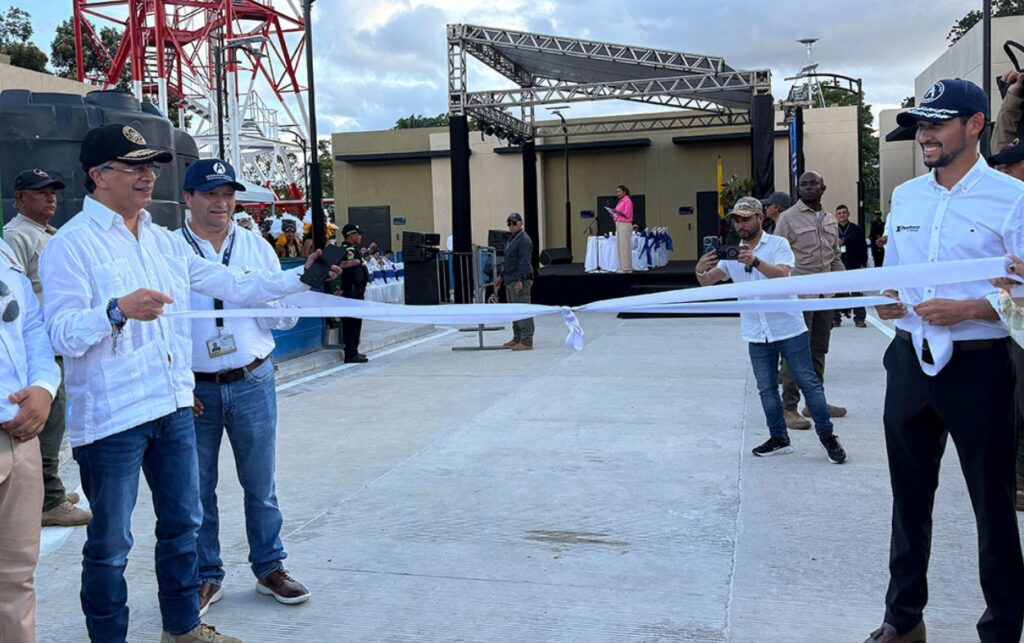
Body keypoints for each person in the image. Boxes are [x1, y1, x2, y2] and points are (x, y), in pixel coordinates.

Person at [39, 124, 338, 643]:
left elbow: (233, 284)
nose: (147, 175)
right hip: (114, 419)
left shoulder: (161, 242)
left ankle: (183, 629)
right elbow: (60, 335)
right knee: (111, 544)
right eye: (133, 166)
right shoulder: (71, 246)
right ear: (97, 175)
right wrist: (116, 311)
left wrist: (300, 278)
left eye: (151, 166)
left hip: (173, 406)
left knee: (182, 528)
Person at [864, 79, 1024, 643]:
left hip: (978, 368)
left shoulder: (1013, 200)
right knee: (907, 500)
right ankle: (903, 619)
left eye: (937, 123)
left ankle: (1002, 630)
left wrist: (971, 308)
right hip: (908, 361)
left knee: (993, 506)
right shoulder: (906, 198)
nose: (924, 134)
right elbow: (895, 278)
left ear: (976, 124)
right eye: (920, 125)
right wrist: (886, 300)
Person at [179, 159, 311, 618]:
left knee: (260, 483)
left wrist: (267, 299)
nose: (221, 204)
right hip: (195, 389)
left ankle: (270, 566)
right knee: (197, 488)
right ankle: (205, 574)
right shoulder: (170, 250)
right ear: (188, 198)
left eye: (228, 195)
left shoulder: (256, 246)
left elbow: (285, 315)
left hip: (252, 378)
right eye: (211, 194)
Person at [695, 197, 846, 464]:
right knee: (766, 389)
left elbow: (782, 274)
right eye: (737, 220)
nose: (741, 225)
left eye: (746, 218)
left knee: (809, 384)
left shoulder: (778, 244)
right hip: (756, 331)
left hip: (788, 327)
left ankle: (828, 437)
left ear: (759, 219)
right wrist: (699, 271)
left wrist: (754, 261)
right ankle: (779, 438)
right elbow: (710, 282)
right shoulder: (731, 253)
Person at [3, 168, 92, 527]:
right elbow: (15, 297)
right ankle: (49, 500)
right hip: (35, 347)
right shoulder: (16, 237)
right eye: (40, 192)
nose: (50, 198)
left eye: (53, 191)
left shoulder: (48, 233)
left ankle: (45, 488)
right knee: (47, 423)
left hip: (52, 343)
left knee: (55, 425)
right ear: (20, 199)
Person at [0, 235, 61, 643]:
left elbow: (33, 328)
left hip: (19, 438)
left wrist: (43, 386)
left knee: (16, 579)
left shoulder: (4, 253)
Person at [774, 171, 846, 430]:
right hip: (798, 299)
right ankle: (789, 408)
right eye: (803, 185)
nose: (808, 188)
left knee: (818, 350)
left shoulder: (829, 219)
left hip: (824, 298)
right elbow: (777, 256)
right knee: (795, 354)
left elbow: (834, 255)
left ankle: (816, 404)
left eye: (813, 183)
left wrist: (841, 284)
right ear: (798, 189)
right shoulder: (787, 219)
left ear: (822, 187)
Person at [495, 212, 534, 351]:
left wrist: (520, 280)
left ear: (521, 223)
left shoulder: (524, 240)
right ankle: (517, 337)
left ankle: (527, 340)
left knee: (523, 309)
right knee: (514, 311)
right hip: (509, 278)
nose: (511, 226)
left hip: (519, 279)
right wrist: (501, 276)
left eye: (514, 223)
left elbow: (524, 261)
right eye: (509, 223)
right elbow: (507, 260)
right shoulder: (511, 239)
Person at [335, 223, 370, 363]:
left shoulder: (351, 250)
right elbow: (348, 273)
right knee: (352, 323)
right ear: (351, 235)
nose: (360, 237)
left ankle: (353, 350)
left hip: (355, 291)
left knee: (355, 323)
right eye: (358, 234)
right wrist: (344, 289)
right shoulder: (349, 251)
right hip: (352, 292)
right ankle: (351, 353)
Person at [833, 204, 868, 328]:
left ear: (848, 214)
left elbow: (863, 247)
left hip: (853, 264)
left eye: (844, 212)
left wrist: (863, 263)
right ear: (836, 216)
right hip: (837, 265)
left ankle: (860, 318)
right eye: (839, 213)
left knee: (856, 292)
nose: (842, 215)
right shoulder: (832, 230)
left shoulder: (856, 229)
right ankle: (835, 318)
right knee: (835, 292)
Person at [609, 184, 633, 273]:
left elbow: (627, 214)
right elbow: (618, 213)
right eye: (616, 192)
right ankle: (622, 267)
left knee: (625, 246)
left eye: (619, 191)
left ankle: (627, 268)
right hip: (618, 223)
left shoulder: (627, 201)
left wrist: (617, 212)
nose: (617, 193)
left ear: (624, 192)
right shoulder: (620, 201)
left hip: (625, 224)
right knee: (620, 246)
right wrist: (613, 213)